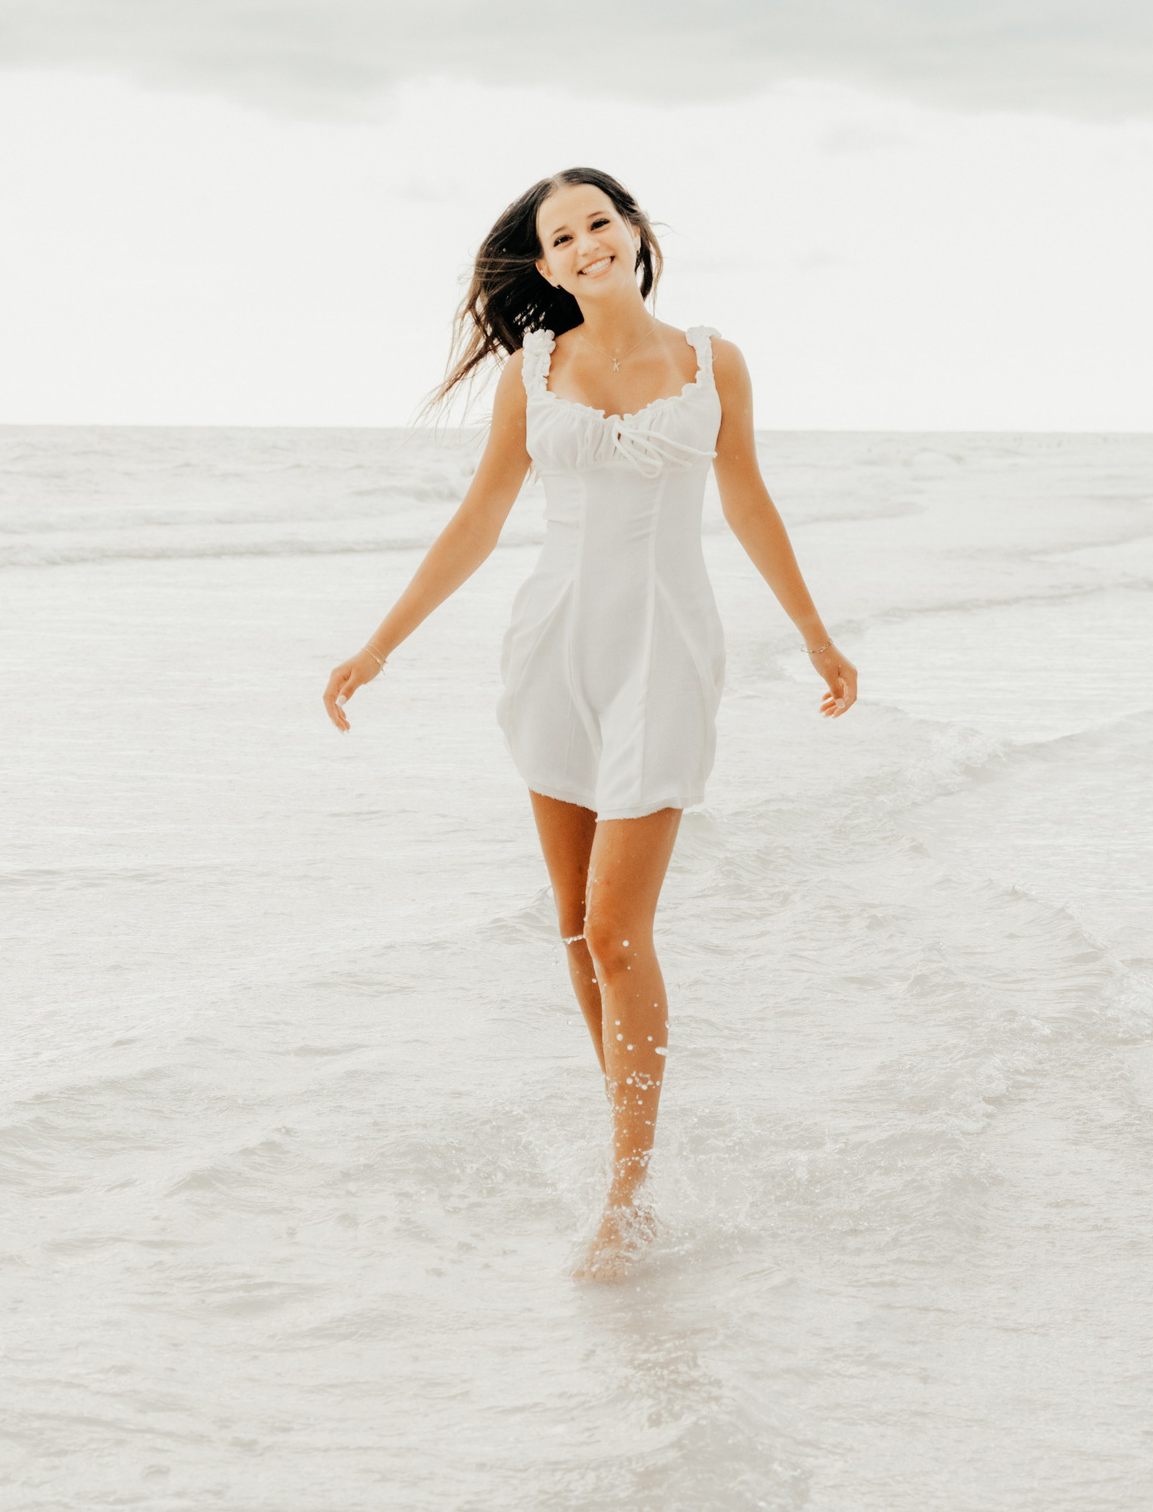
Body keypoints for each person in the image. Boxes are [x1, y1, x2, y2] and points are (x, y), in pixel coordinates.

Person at [322, 167, 857, 1278]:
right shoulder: (536, 371)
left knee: (618, 931)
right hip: (554, 654)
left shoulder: (711, 361)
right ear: (545, 264)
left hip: (665, 659)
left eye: (595, 223)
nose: (581, 246)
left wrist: (813, 632)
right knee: (573, 927)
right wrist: (379, 644)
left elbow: (747, 497)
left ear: (634, 232)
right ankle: (631, 1139)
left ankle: (625, 1198)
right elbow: (480, 519)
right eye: (557, 238)